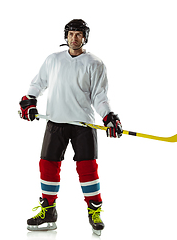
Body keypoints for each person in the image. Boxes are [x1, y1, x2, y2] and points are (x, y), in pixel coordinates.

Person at [19, 19, 122, 236]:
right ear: (65, 36)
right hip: (55, 122)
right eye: (71, 34)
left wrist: (109, 117)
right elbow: (38, 83)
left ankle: (94, 212)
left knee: (87, 169)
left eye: (79, 34)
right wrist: (29, 100)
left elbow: (99, 96)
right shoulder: (53, 59)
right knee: (47, 165)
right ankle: (48, 211)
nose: (74, 38)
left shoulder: (95, 63)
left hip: (83, 125)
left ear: (85, 37)